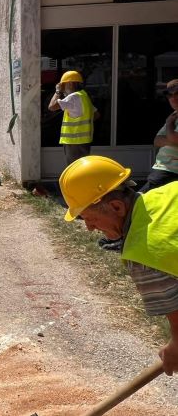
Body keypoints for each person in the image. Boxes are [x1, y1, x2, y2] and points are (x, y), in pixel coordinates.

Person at [59, 155, 178, 375]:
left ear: (116, 207)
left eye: (89, 218)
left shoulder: (144, 253)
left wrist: (175, 348)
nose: (89, 228)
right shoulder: (167, 193)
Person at [48, 70, 99, 166]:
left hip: (74, 143)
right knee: (83, 167)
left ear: (70, 84)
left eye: (64, 85)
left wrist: (57, 91)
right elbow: (96, 115)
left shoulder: (73, 97)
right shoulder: (84, 96)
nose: (63, 87)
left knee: (73, 168)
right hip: (85, 141)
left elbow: (51, 107)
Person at [141, 79, 178, 193]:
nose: (173, 98)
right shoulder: (174, 115)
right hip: (164, 168)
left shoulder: (171, 119)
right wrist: (172, 138)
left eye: (177, 93)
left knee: (140, 199)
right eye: (169, 95)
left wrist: (169, 124)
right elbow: (157, 140)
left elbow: (174, 138)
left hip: (169, 170)